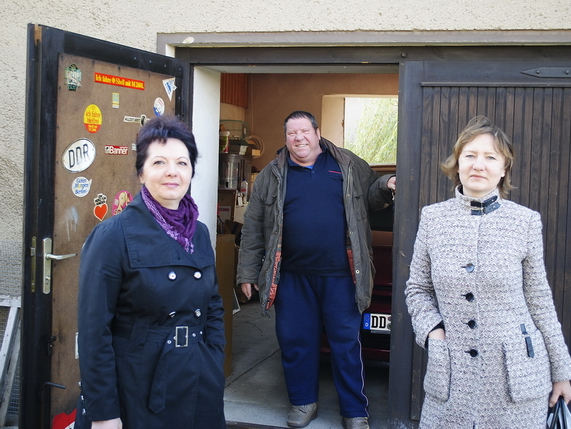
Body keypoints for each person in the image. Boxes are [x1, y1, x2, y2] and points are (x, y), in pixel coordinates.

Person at [404, 116, 571, 428]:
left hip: (516, 379)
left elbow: (539, 300)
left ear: (504, 168)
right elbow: (418, 289)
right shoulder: (433, 219)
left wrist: (561, 372)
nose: (478, 165)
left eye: (490, 157)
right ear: (457, 164)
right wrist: (433, 332)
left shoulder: (525, 222)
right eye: (470, 155)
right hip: (451, 376)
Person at [236, 111, 396, 429]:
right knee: (296, 342)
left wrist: (386, 184)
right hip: (292, 277)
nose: (299, 138)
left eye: (304, 131)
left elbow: (371, 194)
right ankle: (303, 402)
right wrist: (247, 273)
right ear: (286, 138)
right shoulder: (272, 174)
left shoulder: (347, 163)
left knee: (346, 346)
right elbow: (254, 225)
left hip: (341, 276)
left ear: (317, 133)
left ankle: (354, 411)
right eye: (292, 133)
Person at [76, 116, 226, 429]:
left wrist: (214, 356)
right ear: (141, 172)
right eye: (159, 162)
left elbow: (212, 305)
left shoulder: (198, 233)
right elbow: (94, 331)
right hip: (137, 385)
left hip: (198, 379)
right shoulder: (113, 235)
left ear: (191, 171)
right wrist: (103, 413)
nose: (172, 171)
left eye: (182, 163)